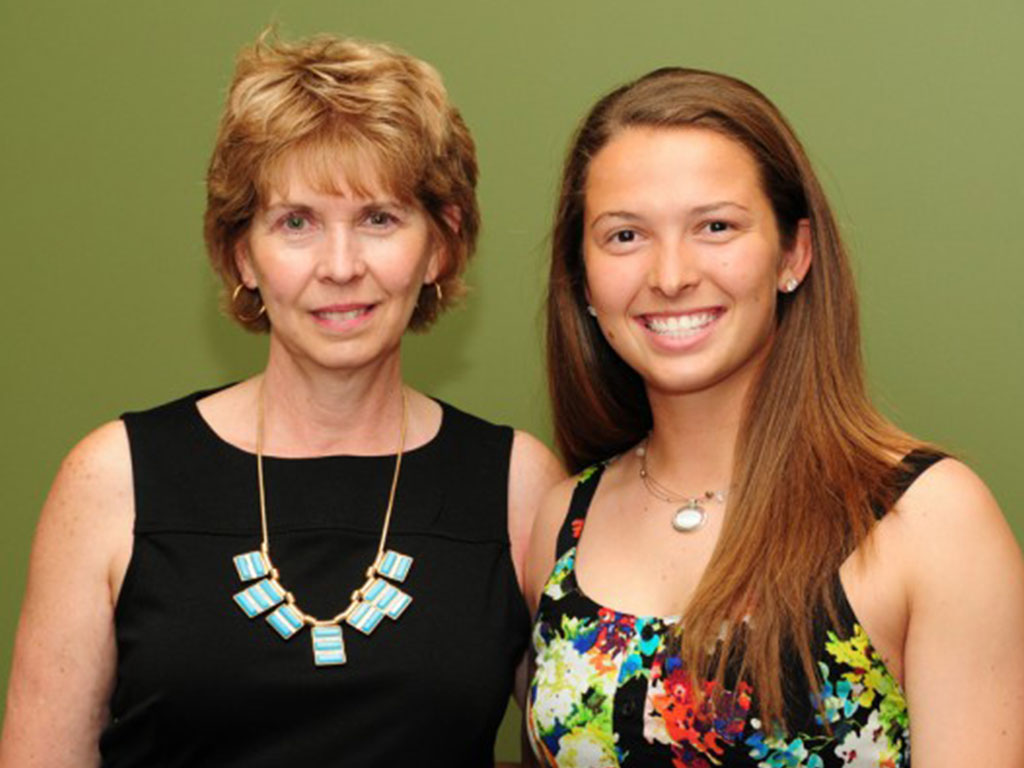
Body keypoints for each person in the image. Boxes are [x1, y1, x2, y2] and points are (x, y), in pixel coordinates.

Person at [0, 32, 563, 767]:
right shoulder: (113, 478)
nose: (339, 267)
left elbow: (577, 741)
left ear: (441, 245)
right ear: (242, 254)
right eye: (295, 222)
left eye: (379, 219)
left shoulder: (519, 486)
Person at [525, 68, 1024, 767]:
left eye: (716, 226)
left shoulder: (927, 520)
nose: (670, 275)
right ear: (582, 279)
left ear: (795, 253)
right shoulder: (560, 521)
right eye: (625, 236)